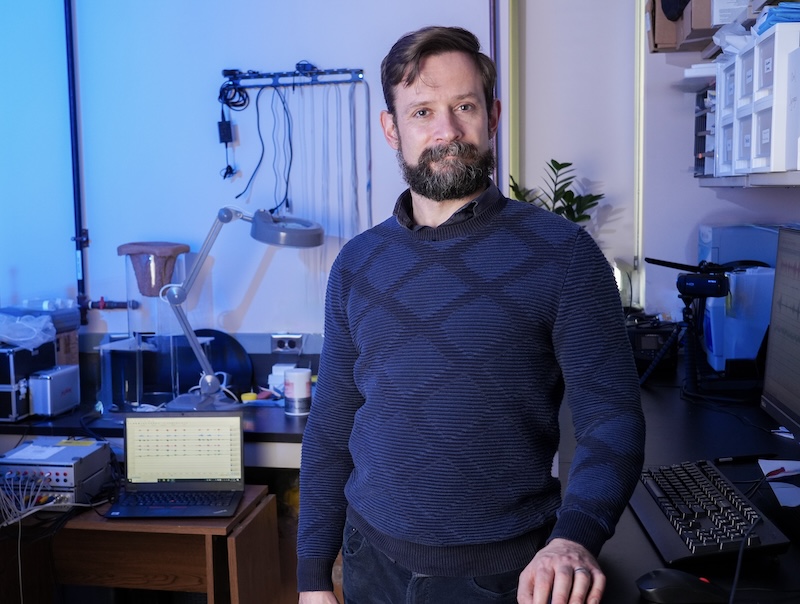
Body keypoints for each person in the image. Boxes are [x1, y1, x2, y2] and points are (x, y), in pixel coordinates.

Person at [297, 25, 645, 604]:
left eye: (464, 106)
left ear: (493, 115)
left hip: (504, 577)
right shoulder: (358, 264)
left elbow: (612, 421)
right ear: (392, 129)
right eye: (422, 112)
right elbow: (332, 425)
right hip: (369, 564)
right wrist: (311, 576)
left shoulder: (562, 255)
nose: (447, 131)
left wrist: (576, 537)